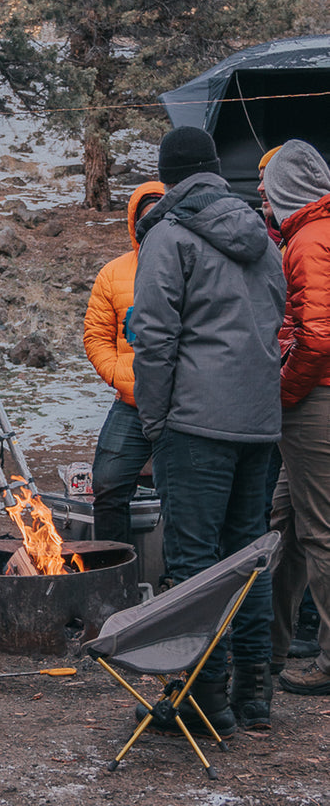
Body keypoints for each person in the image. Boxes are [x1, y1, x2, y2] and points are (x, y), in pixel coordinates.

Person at [132, 127, 286, 734]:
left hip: (196, 422)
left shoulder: (169, 236)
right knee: (248, 555)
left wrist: (155, 419)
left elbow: (153, 338)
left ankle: (205, 696)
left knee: (195, 562)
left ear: (168, 177)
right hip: (258, 421)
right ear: (216, 170)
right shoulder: (262, 237)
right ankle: (254, 694)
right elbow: (276, 316)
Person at [262, 139, 330, 696]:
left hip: (315, 402)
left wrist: (283, 392)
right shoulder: (311, 233)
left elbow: (317, 336)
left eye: (271, 182)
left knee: (319, 532)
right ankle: (269, 647)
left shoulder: (309, 240)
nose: (261, 190)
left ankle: (329, 662)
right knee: (282, 527)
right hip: (313, 398)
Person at [83, 181, 164, 543]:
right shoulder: (113, 273)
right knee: (108, 485)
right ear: (134, 222)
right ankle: (115, 570)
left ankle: (174, 581)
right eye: (146, 219)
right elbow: (96, 337)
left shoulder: (194, 265)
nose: (153, 226)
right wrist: (120, 376)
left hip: (182, 405)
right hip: (131, 403)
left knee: (179, 495)